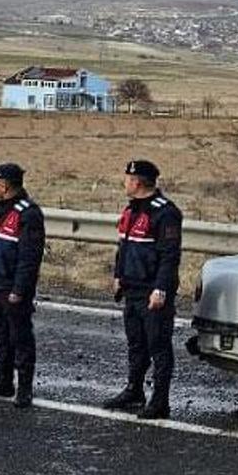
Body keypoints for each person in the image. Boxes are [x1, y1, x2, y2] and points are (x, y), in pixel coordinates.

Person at [102, 160, 182, 420]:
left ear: (137, 182)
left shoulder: (165, 212)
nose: (124, 182)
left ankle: (160, 402)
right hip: (132, 289)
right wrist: (118, 276)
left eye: (127, 178)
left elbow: (169, 256)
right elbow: (124, 246)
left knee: (158, 346)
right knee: (136, 345)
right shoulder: (132, 209)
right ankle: (134, 390)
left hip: (152, 292)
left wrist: (161, 289)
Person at [0, 163, 45, 408]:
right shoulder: (1, 211)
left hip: (13, 287)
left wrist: (19, 290)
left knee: (20, 336)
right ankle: (4, 380)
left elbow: (29, 258)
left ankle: (24, 388)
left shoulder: (28, 214)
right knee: (1, 334)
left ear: (4, 186)